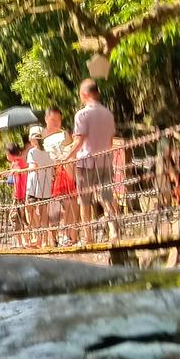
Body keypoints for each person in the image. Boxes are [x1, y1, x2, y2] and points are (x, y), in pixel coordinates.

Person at [67, 79, 118, 242]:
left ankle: (88, 236)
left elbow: (79, 141)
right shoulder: (108, 114)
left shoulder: (82, 114)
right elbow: (110, 141)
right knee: (107, 197)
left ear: (84, 95)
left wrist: (66, 157)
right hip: (105, 162)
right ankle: (114, 231)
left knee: (85, 201)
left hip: (86, 163)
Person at [43, 106, 77, 244]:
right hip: (47, 176)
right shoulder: (42, 137)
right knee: (52, 210)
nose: (56, 123)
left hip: (64, 174)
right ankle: (53, 238)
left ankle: (69, 235)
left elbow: (70, 155)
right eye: (53, 120)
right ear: (46, 119)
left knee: (69, 204)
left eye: (59, 120)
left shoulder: (65, 135)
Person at [25, 126, 54, 246]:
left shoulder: (32, 152)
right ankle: (44, 240)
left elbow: (33, 167)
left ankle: (38, 236)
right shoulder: (48, 153)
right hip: (45, 186)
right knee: (43, 212)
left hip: (33, 186)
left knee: (29, 208)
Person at [6, 142, 31, 247]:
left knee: (15, 218)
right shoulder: (22, 162)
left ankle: (20, 242)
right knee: (22, 218)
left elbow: (17, 176)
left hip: (19, 195)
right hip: (23, 194)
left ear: (9, 154)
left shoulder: (16, 164)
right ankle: (24, 241)